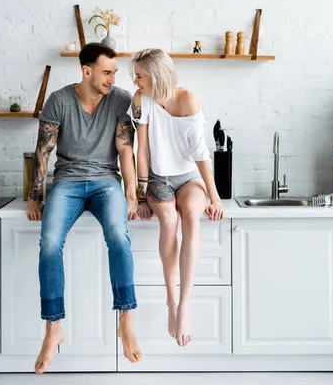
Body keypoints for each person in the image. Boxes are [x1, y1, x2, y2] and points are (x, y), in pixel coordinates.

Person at [26, 43, 142, 374]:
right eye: (107, 72)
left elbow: (125, 150)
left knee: (119, 235)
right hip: (68, 184)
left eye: (115, 72)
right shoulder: (59, 101)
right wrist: (35, 195)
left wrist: (131, 193)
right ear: (86, 71)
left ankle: (126, 318)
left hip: (107, 182)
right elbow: (43, 152)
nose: (113, 78)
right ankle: (53, 327)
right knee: (49, 243)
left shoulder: (119, 99)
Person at [128, 48, 223, 348]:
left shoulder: (187, 99)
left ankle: (185, 305)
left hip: (188, 179)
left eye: (139, 75)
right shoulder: (140, 100)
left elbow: (201, 154)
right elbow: (141, 150)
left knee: (192, 218)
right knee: (168, 220)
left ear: (155, 76)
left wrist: (215, 196)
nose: (135, 81)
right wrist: (142, 197)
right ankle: (171, 301)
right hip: (157, 178)